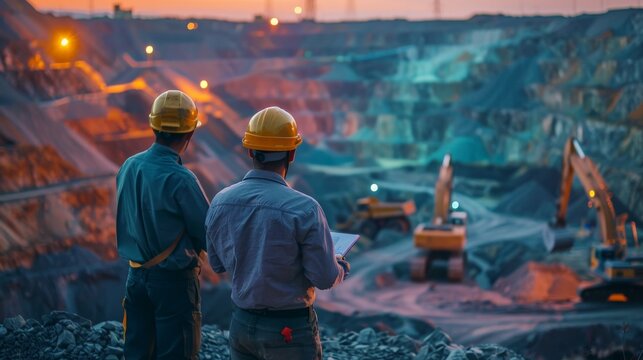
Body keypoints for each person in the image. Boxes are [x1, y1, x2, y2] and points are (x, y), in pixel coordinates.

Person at [205, 106, 350, 360]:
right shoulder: (304, 208)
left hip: (241, 324)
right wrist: (338, 266)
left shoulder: (220, 202)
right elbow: (325, 278)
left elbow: (217, 264)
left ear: (249, 150)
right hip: (288, 329)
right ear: (291, 154)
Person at [116, 90, 209, 360]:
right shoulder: (182, 179)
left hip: (135, 278)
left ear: (154, 126)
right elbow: (207, 234)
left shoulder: (129, 166)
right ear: (189, 134)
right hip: (174, 283)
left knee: (138, 352)